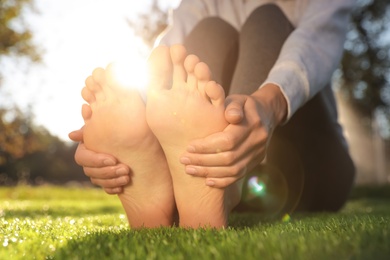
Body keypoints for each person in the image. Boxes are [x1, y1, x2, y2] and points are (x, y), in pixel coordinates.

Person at [69, 0, 356, 228]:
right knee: (209, 30)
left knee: (266, 17)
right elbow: (164, 61)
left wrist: (268, 105)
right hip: (248, 185)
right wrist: (133, 121)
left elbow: (315, 42)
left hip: (311, 171)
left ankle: (225, 181)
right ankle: (180, 187)